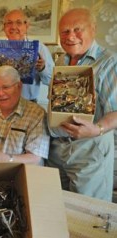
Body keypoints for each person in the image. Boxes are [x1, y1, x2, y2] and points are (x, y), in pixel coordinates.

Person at [46, 8, 117, 201]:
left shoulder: (110, 62)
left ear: (92, 29)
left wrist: (97, 129)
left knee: (87, 212)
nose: (71, 37)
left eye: (78, 29)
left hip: (90, 147)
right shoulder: (61, 60)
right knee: (58, 205)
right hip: (58, 146)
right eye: (65, 32)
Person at [0, 65, 49, 165]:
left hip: (14, 174)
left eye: (6, 87)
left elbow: (35, 158)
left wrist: (8, 159)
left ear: (19, 86)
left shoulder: (36, 113)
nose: (0, 93)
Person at [3, 9, 54, 102]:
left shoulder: (39, 48)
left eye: (19, 23)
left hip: (29, 104)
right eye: (9, 23)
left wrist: (42, 68)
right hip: (1, 103)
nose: (13, 27)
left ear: (26, 26)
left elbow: (52, 80)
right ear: (4, 27)